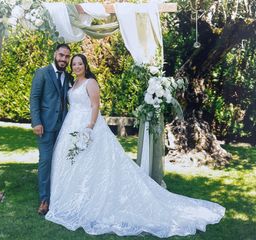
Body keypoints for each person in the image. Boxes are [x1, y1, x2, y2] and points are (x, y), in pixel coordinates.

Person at [45, 54, 225, 238]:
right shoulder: (73, 84)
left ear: (85, 65)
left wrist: (89, 127)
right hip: (71, 124)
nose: (76, 67)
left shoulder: (90, 82)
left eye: (79, 63)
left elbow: (95, 106)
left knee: (94, 164)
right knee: (75, 163)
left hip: (88, 125)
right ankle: (75, 199)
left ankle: (94, 200)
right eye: (74, 64)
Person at [30, 43, 73, 215]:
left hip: (64, 127)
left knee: (62, 162)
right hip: (45, 127)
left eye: (67, 56)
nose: (64, 59)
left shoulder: (68, 77)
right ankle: (44, 200)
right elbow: (34, 98)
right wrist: (36, 122)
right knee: (46, 162)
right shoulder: (42, 73)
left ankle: (60, 196)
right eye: (61, 55)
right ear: (55, 54)